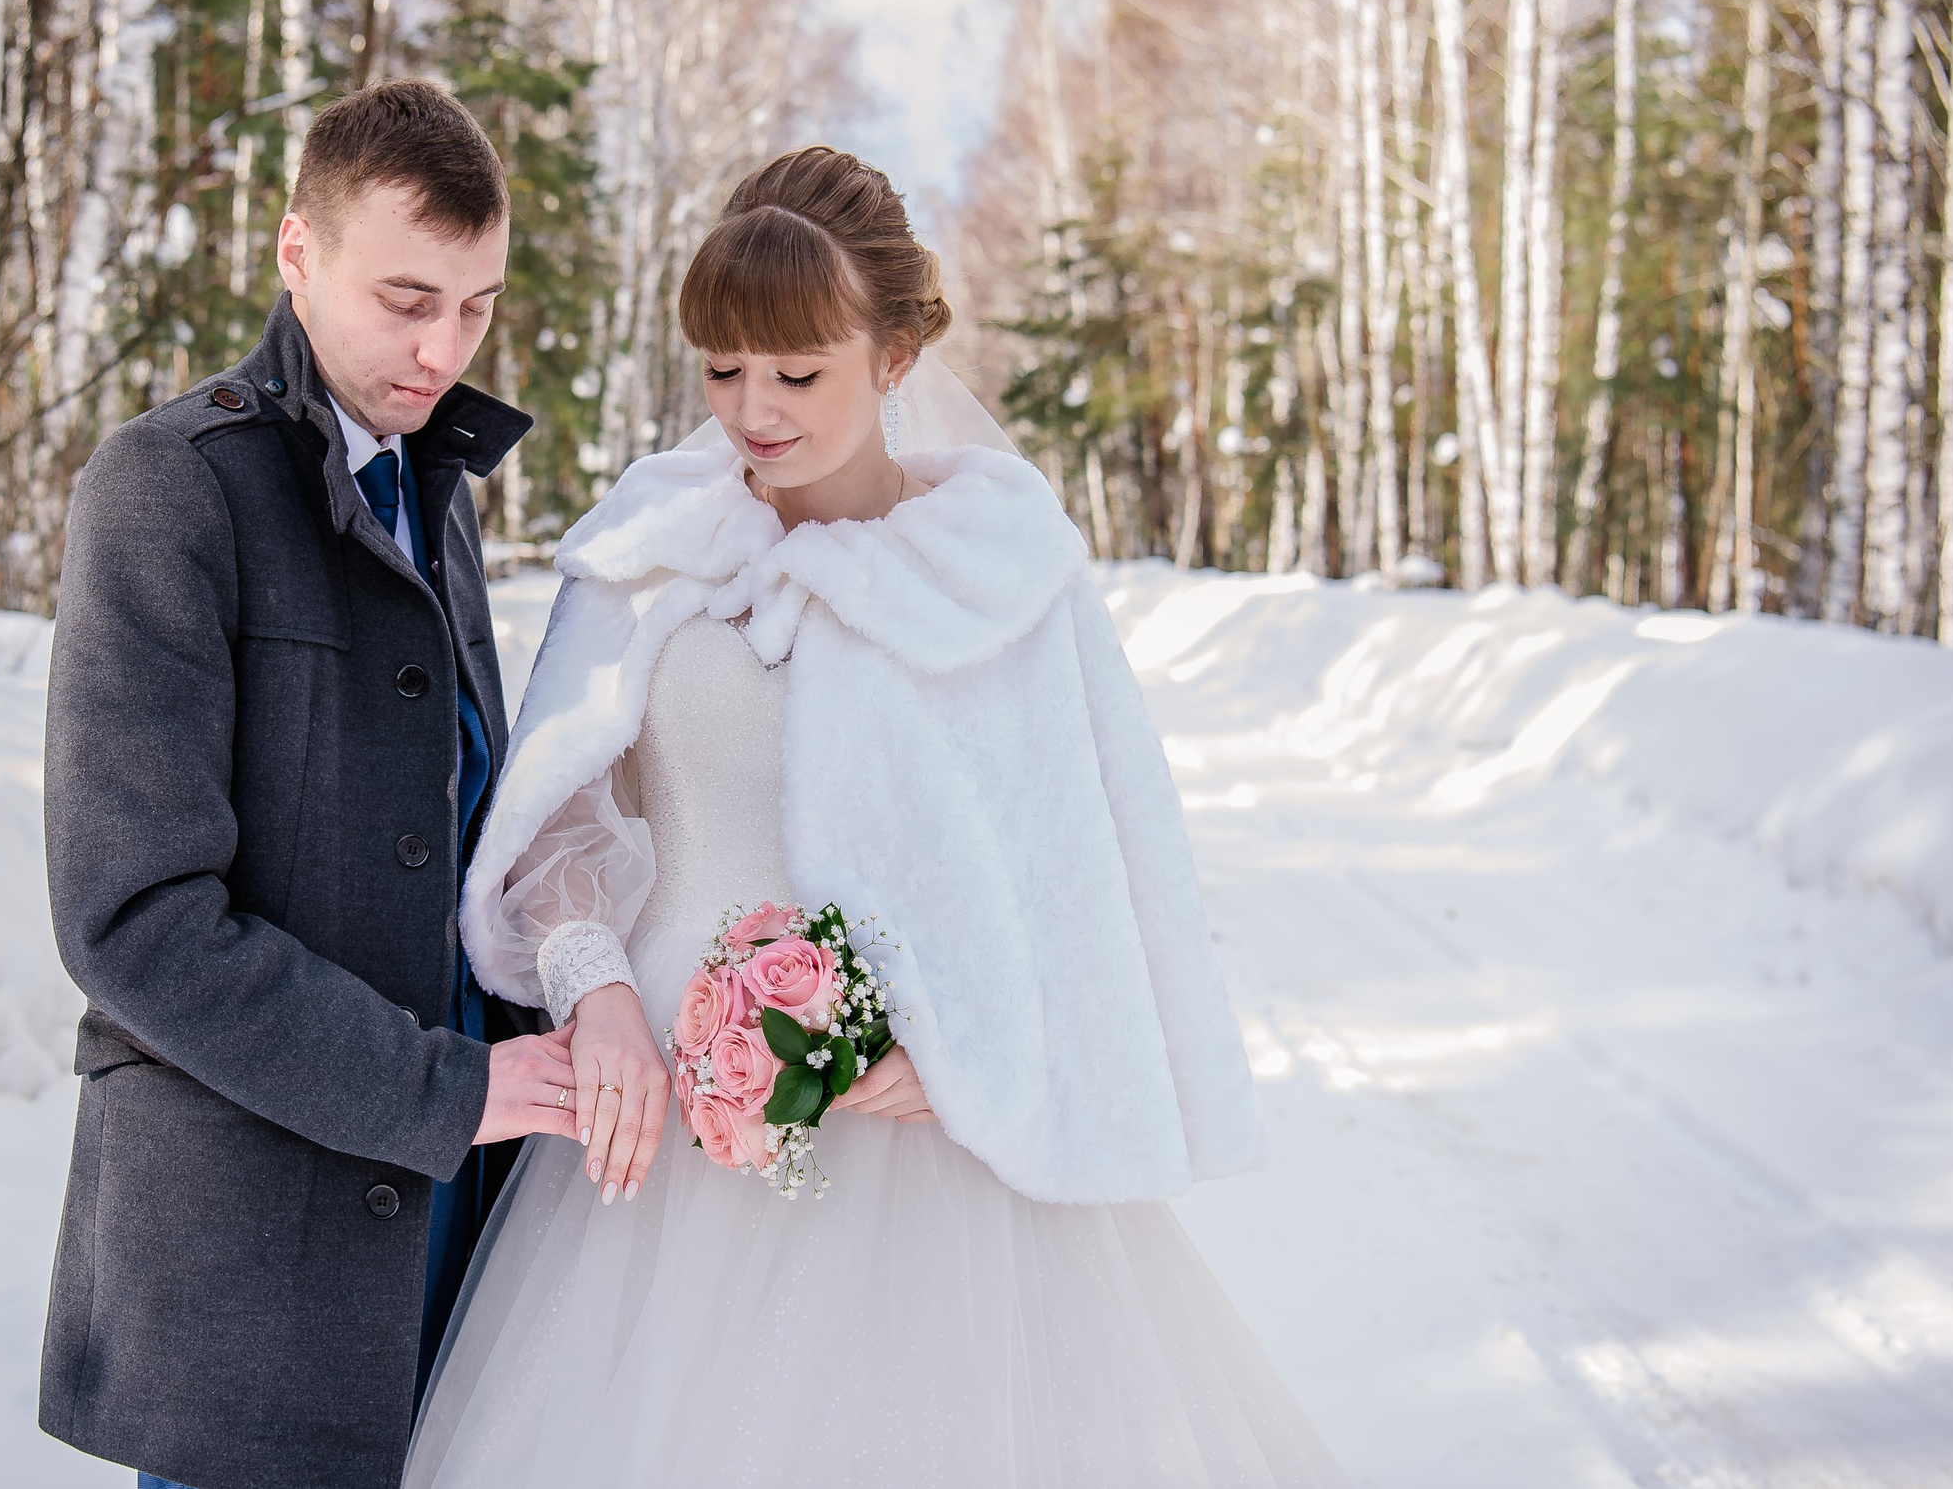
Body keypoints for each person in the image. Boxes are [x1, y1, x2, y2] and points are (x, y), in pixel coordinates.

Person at [405, 146, 1351, 1486]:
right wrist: (591, 980)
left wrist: (963, 1045)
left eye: (800, 372)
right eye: (725, 366)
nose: (754, 409)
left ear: (897, 352)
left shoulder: (994, 573)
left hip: (921, 1163)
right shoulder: (654, 548)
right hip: (665, 1149)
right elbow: (560, 815)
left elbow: (1072, 874)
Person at [36, 79, 582, 1489]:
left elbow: (464, 847)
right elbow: (135, 916)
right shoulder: (168, 487)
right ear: (295, 251)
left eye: (476, 305)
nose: (442, 347)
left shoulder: (435, 484)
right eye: (406, 297)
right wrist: (444, 1085)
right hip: (248, 1270)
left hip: (442, 1236)